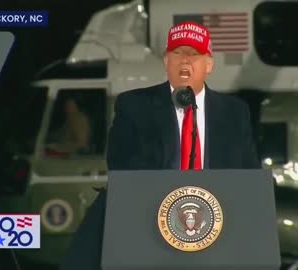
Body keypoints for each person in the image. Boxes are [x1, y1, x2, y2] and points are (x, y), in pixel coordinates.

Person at [59, 21, 260, 270]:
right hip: (152, 231)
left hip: (215, 235)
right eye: (177, 54)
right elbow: (121, 166)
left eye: (193, 55)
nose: (185, 62)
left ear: (209, 64)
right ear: (166, 62)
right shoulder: (134, 105)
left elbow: (248, 176)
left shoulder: (234, 112)